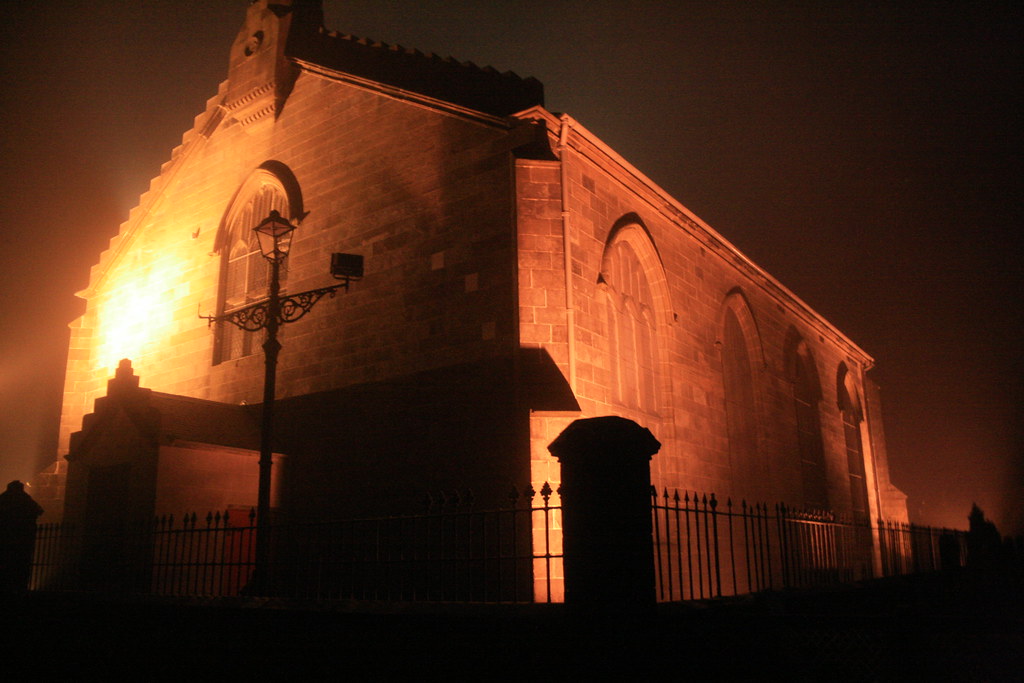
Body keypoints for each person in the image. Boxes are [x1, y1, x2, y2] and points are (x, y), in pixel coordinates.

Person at [0, 480, 44, 592]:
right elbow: (39, 510)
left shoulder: (4, 499)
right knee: (21, 565)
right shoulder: (25, 499)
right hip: (24, 537)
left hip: (5, 537)